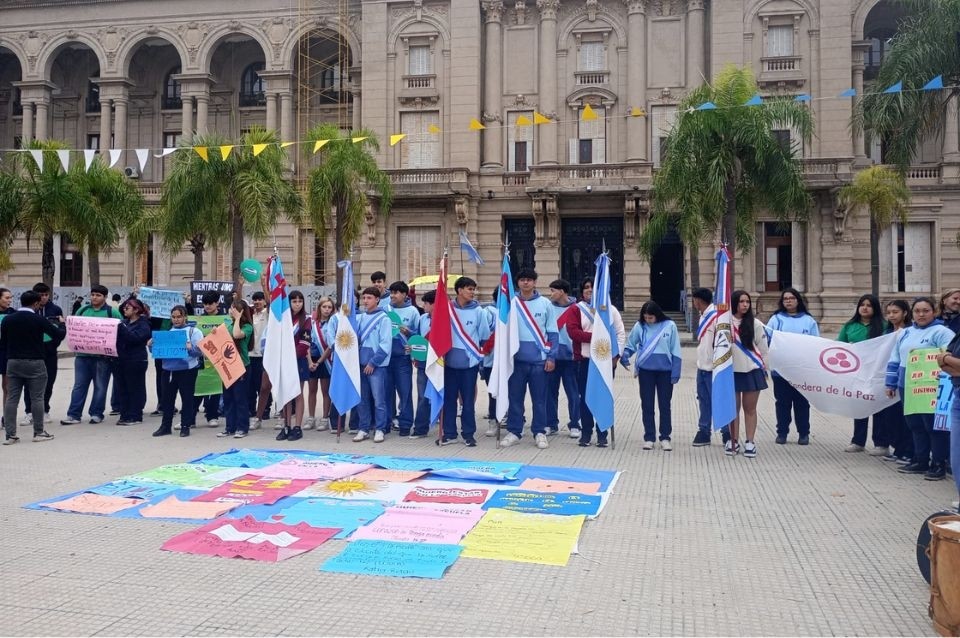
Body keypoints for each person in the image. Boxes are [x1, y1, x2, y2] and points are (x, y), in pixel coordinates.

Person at [885, 297, 955, 480]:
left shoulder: (942, 332)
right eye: (917, 311)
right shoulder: (905, 333)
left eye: (926, 311)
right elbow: (895, 358)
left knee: (933, 426)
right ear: (912, 313)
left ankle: (938, 464)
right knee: (915, 424)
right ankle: (920, 460)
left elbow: (949, 357)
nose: (921, 314)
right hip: (908, 385)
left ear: (934, 312)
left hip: (932, 386)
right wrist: (890, 383)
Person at [561, 276, 626, 448]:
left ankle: (602, 433)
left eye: (594, 287)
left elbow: (620, 334)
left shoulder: (610, 310)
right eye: (587, 287)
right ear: (582, 291)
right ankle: (586, 433)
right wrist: (597, 337)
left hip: (605, 361)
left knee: (603, 397)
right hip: (584, 361)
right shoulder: (576, 309)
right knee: (585, 398)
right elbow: (573, 332)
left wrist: (616, 356)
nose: (590, 290)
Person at [501, 269, 558, 450]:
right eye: (522, 280)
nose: (526, 283)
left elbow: (553, 333)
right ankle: (514, 431)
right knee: (515, 398)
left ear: (535, 282)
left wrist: (551, 357)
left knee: (539, 399)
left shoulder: (545, 304)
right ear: (517, 283)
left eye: (529, 280)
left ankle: (539, 431)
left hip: (539, 361)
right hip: (516, 361)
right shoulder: (510, 303)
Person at [1, 290, 64, 444]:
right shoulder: (39, 319)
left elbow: (4, 341)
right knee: (37, 398)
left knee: (11, 398)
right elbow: (58, 335)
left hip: (13, 362)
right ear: (36, 304)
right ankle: (38, 432)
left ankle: (10, 435)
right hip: (35, 362)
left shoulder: (8, 319)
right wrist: (62, 324)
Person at [622, 301, 681, 451]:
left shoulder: (670, 326)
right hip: (646, 372)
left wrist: (676, 371)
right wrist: (626, 355)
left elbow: (676, 349)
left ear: (657, 315)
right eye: (646, 317)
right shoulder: (639, 326)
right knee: (647, 405)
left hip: (665, 372)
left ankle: (665, 437)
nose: (648, 320)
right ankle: (649, 437)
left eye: (651, 317)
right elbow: (631, 344)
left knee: (665, 405)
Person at [441, 276, 492, 447]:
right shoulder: (447, 309)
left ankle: (468, 434)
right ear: (459, 290)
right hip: (448, 363)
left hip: (469, 365)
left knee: (468, 401)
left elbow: (484, 337)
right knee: (449, 400)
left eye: (473, 289)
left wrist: (478, 356)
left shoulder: (479, 311)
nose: (473, 292)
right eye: (469, 289)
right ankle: (449, 433)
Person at [61, 285, 122, 425]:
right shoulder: (82, 310)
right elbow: (74, 328)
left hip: (103, 358)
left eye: (98, 295)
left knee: (100, 386)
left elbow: (120, 330)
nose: (94, 297)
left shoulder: (112, 312)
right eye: (93, 294)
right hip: (82, 356)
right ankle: (73, 415)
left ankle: (96, 413)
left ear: (105, 297)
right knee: (79, 386)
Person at [767, 288, 819, 445]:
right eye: (785, 299)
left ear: (798, 300)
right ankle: (782, 433)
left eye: (791, 298)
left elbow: (815, 344)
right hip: (781, 371)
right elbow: (767, 339)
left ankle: (804, 433)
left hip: (802, 371)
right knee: (782, 403)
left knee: (802, 403)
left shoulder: (809, 321)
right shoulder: (776, 319)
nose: (788, 301)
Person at [837, 294, 888, 454]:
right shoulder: (849, 326)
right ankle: (858, 442)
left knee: (878, 408)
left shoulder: (884, 325)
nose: (865, 308)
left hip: (877, 373)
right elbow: (839, 346)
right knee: (859, 407)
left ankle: (881, 444)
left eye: (869, 305)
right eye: (862, 304)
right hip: (857, 373)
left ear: (875, 308)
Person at [727, 290, 769, 458]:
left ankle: (750, 442)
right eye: (741, 301)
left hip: (752, 370)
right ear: (734, 303)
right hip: (731, 371)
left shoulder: (756, 323)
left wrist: (765, 369)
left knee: (750, 409)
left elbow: (764, 349)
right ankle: (733, 440)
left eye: (747, 302)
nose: (745, 305)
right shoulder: (725, 323)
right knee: (733, 409)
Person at [149, 305, 203, 438]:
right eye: (173, 317)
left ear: (185, 317)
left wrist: (190, 349)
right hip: (168, 370)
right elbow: (159, 353)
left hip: (187, 370)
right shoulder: (168, 332)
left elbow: (200, 352)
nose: (176, 319)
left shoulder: (194, 332)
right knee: (167, 400)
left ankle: (185, 426)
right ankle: (165, 426)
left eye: (179, 317)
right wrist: (151, 346)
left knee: (187, 399)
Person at [22, 283, 64, 426]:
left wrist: (52, 345)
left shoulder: (55, 309)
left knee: (48, 382)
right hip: (31, 352)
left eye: (46, 295)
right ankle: (29, 412)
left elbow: (58, 332)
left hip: (49, 353)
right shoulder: (29, 311)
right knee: (28, 383)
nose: (44, 298)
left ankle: (45, 410)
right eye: (41, 295)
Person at [353, 287, 392, 442]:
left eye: (369, 298)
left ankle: (380, 428)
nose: (365, 301)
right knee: (362, 399)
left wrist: (373, 363)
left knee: (379, 399)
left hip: (376, 367)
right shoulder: (360, 318)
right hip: (360, 364)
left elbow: (385, 344)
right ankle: (364, 428)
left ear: (377, 299)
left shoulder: (384, 319)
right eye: (364, 298)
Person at [545, 279, 580, 438]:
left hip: (571, 358)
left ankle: (575, 424)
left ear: (562, 291)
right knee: (550, 393)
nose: (551, 294)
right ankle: (551, 423)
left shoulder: (577, 308)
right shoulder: (548, 307)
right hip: (552, 357)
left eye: (553, 291)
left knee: (573, 393)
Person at [275, 290, 311, 441]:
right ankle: (286, 426)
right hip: (284, 361)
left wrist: (290, 357)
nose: (297, 304)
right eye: (294, 301)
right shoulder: (284, 318)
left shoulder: (306, 320)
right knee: (286, 395)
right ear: (289, 303)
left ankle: (297, 427)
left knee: (297, 393)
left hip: (298, 360)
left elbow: (304, 344)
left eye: (300, 301)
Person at [880, 300, 913, 463]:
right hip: (890, 379)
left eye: (895, 312)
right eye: (889, 313)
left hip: (908, 380)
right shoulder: (886, 333)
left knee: (905, 419)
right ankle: (898, 449)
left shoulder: (910, 332)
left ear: (905, 313)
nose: (891, 315)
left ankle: (908, 451)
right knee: (891, 418)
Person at [386, 281, 420, 437]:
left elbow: (419, 335)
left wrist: (409, 333)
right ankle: (386, 423)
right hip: (386, 358)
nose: (392, 296)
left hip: (403, 359)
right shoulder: (385, 309)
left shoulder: (413, 311)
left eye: (396, 293)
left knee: (405, 392)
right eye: (391, 293)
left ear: (405, 294)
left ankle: (405, 424)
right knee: (386, 393)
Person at [218, 299, 254, 439]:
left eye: (234, 309)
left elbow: (237, 335)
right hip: (228, 366)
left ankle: (242, 427)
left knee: (240, 398)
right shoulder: (228, 324)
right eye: (231, 308)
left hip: (242, 365)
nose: (231, 311)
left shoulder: (247, 327)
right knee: (228, 398)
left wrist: (238, 319)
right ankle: (230, 427)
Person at [114, 298, 151, 425]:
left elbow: (134, 338)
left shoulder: (144, 324)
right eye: (124, 307)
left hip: (136, 360)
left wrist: (121, 327)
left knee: (135, 388)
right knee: (122, 388)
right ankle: (124, 414)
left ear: (136, 310)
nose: (124, 310)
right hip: (121, 359)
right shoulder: (124, 322)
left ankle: (135, 415)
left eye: (127, 308)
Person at [690, 288, 719, 447]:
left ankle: (726, 433)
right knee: (703, 400)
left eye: (694, 300)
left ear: (698, 300)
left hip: (714, 368)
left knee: (718, 400)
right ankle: (704, 431)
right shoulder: (703, 316)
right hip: (702, 367)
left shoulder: (716, 317)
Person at [193, 291, 224, 428]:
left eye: (210, 303)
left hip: (218, 359)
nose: (207, 306)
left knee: (216, 388)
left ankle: (212, 416)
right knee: (197, 387)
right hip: (201, 359)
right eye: (205, 304)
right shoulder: (198, 320)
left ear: (217, 303)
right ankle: (189, 417)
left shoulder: (225, 319)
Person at [307, 296, 335, 432]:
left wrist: (319, 362)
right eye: (324, 307)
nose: (327, 310)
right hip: (311, 358)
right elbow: (306, 342)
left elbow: (331, 346)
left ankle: (325, 418)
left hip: (325, 359)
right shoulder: (312, 322)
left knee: (325, 391)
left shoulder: (333, 323)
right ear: (319, 308)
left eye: (329, 307)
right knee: (312, 390)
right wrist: (310, 361)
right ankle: (311, 417)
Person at [412, 290, 436, 439]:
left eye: (426, 303)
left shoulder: (445, 319)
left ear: (434, 304)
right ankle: (420, 428)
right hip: (423, 362)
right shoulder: (422, 318)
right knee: (422, 396)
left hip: (440, 363)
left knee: (442, 395)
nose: (423, 306)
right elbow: (419, 338)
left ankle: (446, 428)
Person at [247, 291, 270, 430]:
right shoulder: (250, 314)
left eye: (260, 299)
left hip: (263, 355)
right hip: (250, 354)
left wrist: (264, 286)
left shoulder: (267, 313)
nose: (257, 302)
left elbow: (271, 303)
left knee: (263, 385)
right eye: (255, 300)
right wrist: (240, 286)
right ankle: (252, 410)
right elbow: (237, 303)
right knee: (250, 385)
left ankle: (265, 410)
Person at [0, 288, 15, 409]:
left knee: (7, 387)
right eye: (7, 298)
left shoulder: (13, 313)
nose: (10, 300)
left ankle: (7, 415)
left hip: (6, 353)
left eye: (11, 298)